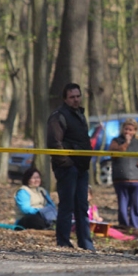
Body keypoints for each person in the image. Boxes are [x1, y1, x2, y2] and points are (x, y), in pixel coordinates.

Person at [47, 82, 95, 251]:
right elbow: (54, 143)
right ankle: (63, 241)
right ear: (65, 99)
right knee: (67, 206)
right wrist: (68, 164)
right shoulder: (58, 116)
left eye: (78, 96)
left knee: (82, 206)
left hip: (82, 168)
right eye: (72, 97)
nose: (76, 100)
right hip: (68, 168)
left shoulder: (80, 115)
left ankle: (86, 242)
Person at [108, 118, 138, 230]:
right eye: (126, 129)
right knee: (122, 206)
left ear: (135, 131)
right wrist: (126, 143)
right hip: (121, 179)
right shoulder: (116, 141)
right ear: (122, 129)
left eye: (130, 130)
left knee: (136, 205)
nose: (128, 132)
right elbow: (113, 154)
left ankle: (135, 227)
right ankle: (123, 226)